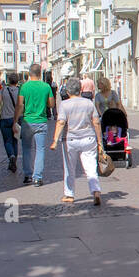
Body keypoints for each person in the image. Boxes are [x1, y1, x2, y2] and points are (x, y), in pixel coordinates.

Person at [51, 78, 102, 206]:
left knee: (70, 168)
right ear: (80, 90)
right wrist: (99, 140)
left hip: (71, 139)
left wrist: (55, 140)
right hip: (88, 138)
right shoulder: (88, 103)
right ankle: (95, 190)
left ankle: (69, 194)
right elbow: (96, 122)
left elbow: (61, 122)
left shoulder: (64, 104)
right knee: (91, 167)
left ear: (68, 91)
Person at [14, 64, 55, 186]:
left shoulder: (24, 87)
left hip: (27, 121)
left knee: (26, 149)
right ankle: (37, 177)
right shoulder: (46, 86)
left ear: (29, 73)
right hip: (41, 121)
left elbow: (20, 105)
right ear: (40, 73)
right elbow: (51, 105)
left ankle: (27, 175)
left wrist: (15, 120)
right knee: (40, 149)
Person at [0, 73, 21, 172]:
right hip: (16, 119)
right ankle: (14, 160)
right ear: (17, 81)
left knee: (7, 141)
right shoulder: (20, 91)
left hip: (4, 118)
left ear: (8, 80)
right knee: (15, 140)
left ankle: (11, 156)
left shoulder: (3, 90)